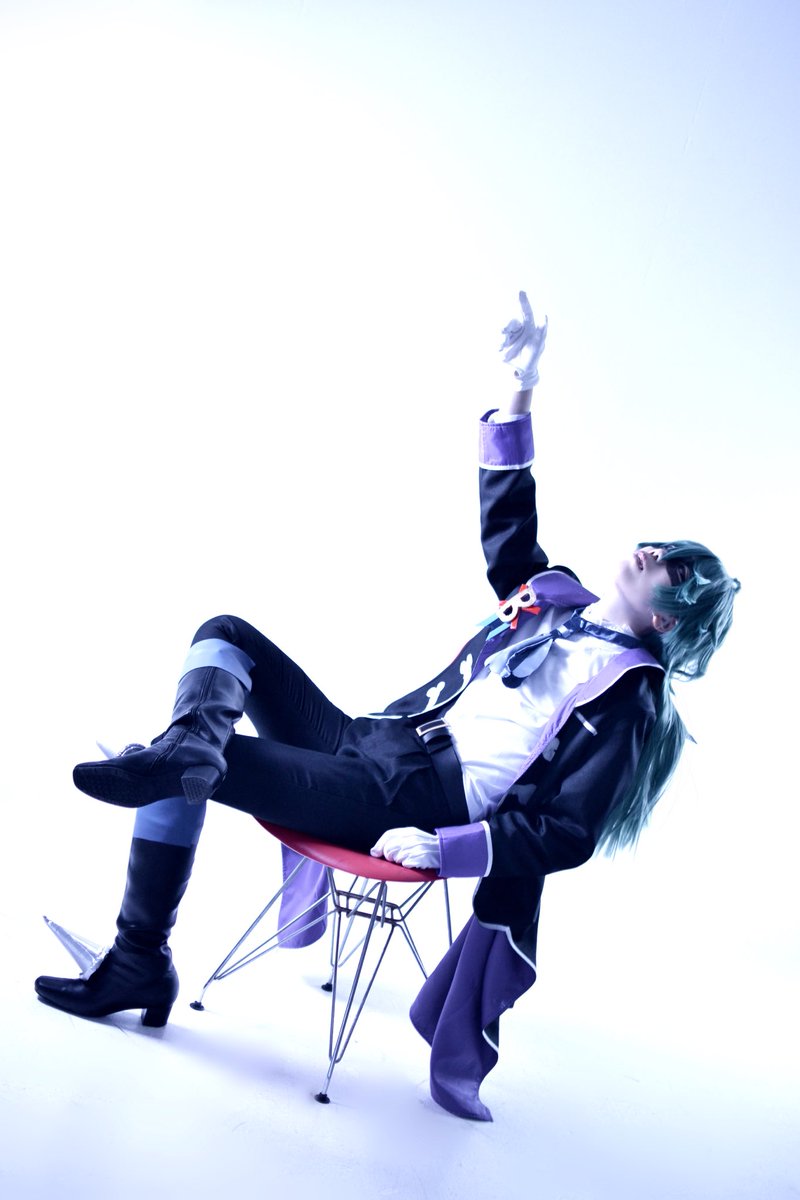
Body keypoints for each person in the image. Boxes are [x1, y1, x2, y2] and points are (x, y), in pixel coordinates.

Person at [35, 294, 739, 1120]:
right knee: (225, 636)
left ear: (669, 621)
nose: (656, 554)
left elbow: (567, 831)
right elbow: (508, 531)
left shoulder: (629, 697)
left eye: (674, 570)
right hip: (372, 740)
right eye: (665, 549)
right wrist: (520, 388)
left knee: (196, 767)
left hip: (410, 797)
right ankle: (183, 753)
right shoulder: (556, 602)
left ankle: (138, 955)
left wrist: (448, 848)